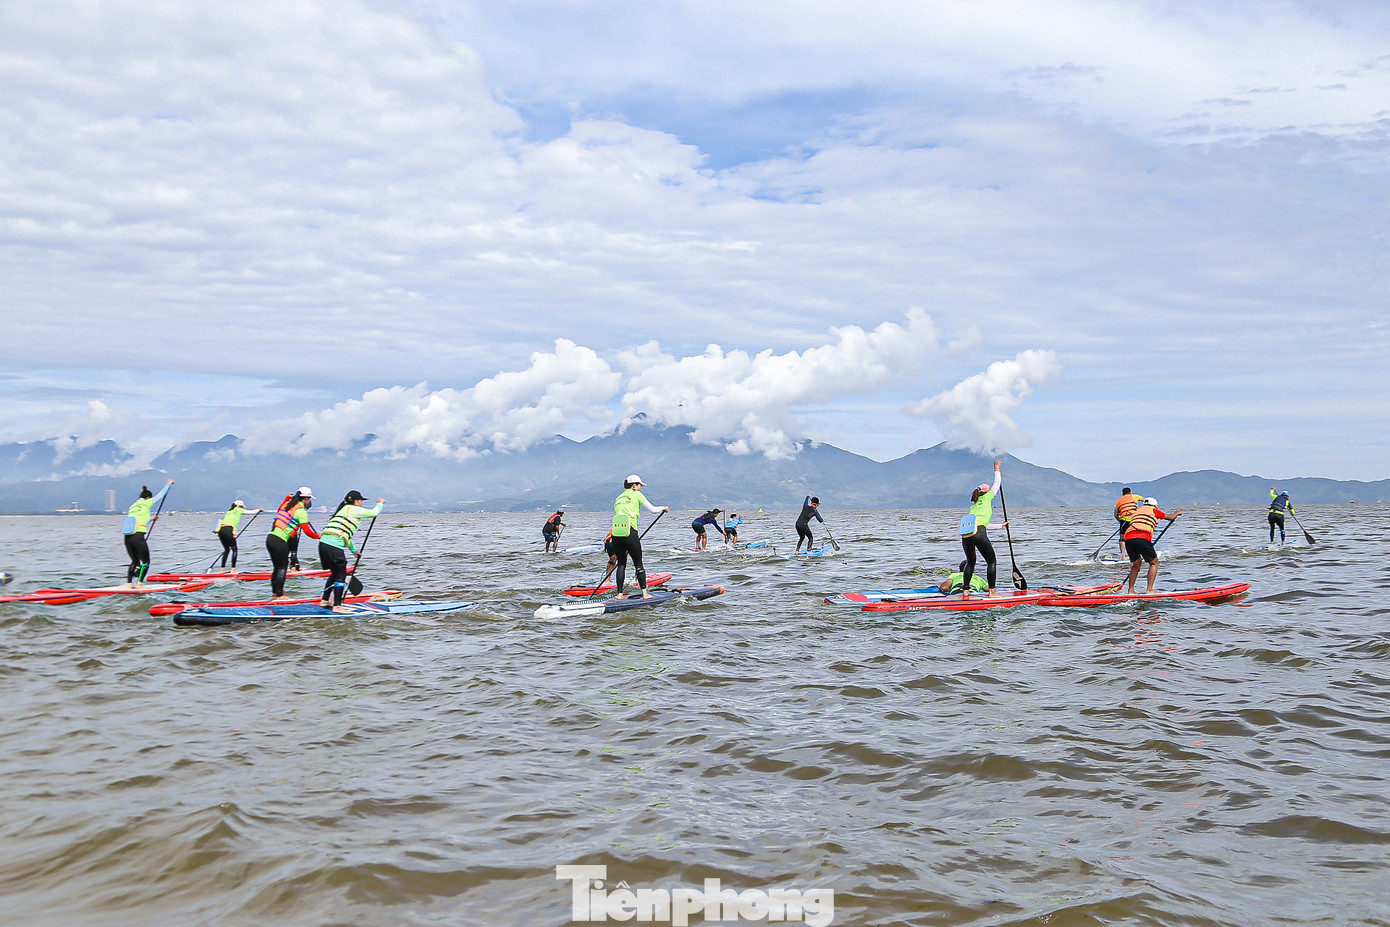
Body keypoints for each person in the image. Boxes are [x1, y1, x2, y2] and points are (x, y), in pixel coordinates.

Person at [318, 491, 384, 612]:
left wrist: (354, 551)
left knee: (335, 573)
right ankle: (337, 606)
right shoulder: (354, 509)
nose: (362, 503)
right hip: (333, 546)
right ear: (355, 501)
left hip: (323, 544)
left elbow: (344, 535)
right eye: (361, 500)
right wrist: (380, 503)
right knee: (341, 574)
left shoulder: (343, 510)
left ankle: (324, 600)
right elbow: (374, 512)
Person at [611, 474, 668, 598]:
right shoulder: (637, 494)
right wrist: (664, 508)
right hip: (630, 531)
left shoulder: (618, 497)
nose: (641, 487)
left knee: (621, 564)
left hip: (616, 533)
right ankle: (644, 593)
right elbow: (653, 510)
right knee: (638, 563)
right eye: (640, 485)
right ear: (634, 485)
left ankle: (619, 594)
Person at [959, 461, 1008, 596]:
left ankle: (966, 591)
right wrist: (996, 468)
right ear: (987, 493)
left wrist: (1000, 526)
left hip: (966, 536)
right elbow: (997, 483)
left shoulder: (973, 506)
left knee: (970, 562)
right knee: (991, 561)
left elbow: (982, 525)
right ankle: (992, 591)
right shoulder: (987, 498)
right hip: (979, 534)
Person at [266, 487, 319, 599]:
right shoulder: (300, 511)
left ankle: (275, 594)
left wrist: (286, 498)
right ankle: (280, 596)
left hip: (270, 538)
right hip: (280, 541)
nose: (309, 502)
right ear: (305, 499)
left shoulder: (287, 505)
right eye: (309, 499)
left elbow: (279, 509)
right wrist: (319, 536)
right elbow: (308, 531)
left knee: (277, 568)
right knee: (282, 568)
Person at [122, 479, 174, 587]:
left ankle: (129, 583)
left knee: (135, 561)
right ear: (148, 497)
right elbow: (160, 495)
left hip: (127, 538)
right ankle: (140, 584)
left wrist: (151, 519)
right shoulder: (147, 503)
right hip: (138, 537)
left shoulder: (133, 506)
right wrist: (169, 484)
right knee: (146, 562)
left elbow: (138, 520)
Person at [1124, 496, 1182, 593]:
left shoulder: (1137, 511)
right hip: (1142, 538)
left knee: (1136, 564)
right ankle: (1149, 590)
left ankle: (1130, 591)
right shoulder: (1154, 510)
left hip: (1128, 539)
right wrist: (1177, 513)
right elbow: (1170, 517)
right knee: (1154, 562)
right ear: (1155, 505)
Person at [215, 500, 263, 571]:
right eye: (242, 506)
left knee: (227, 550)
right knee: (235, 549)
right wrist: (259, 510)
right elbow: (251, 512)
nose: (242, 508)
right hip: (228, 530)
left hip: (221, 530)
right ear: (239, 506)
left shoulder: (229, 511)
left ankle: (222, 570)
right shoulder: (238, 510)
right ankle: (233, 569)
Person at [1113, 486, 1142, 558]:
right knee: (1136, 536)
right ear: (1130, 492)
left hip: (1124, 520)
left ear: (1123, 494)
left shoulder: (1119, 500)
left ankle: (1123, 556)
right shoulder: (1135, 496)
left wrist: (1120, 521)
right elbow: (1146, 500)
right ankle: (1139, 553)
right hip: (1134, 520)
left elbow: (1116, 514)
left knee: (1122, 538)